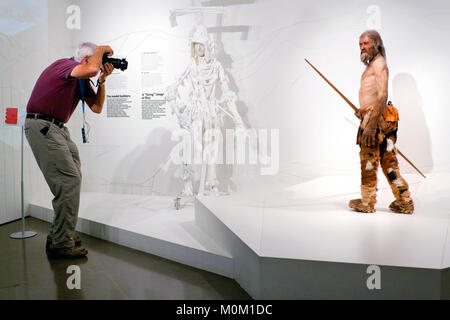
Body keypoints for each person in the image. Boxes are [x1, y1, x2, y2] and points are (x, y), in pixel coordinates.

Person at [25, 42, 114, 257]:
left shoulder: (81, 79)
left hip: (57, 128)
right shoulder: (63, 65)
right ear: (86, 59)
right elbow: (91, 68)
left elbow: (97, 107)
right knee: (68, 181)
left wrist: (101, 81)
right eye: (98, 61)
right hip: (43, 125)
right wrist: (101, 51)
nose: (99, 66)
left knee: (72, 180)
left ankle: (60, 233)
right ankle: (61, 243)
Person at [349, 30, 414, 214]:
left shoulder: (379, 65)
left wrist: (370, 124)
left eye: (366, 43)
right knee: (388, 162)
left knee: (369, 160)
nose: (362, 47)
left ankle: (367, 202)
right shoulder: (374, 65)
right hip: (378, 118)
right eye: (360, 44)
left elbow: (383, 95)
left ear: (377, 43)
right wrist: (362, 113)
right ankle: (404, 201)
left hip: (375, 121)